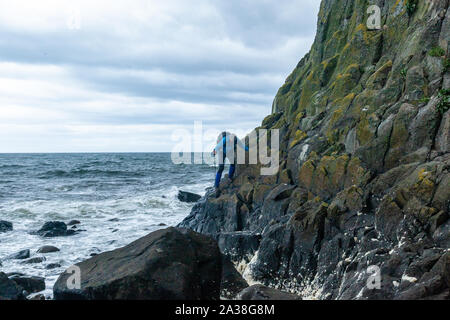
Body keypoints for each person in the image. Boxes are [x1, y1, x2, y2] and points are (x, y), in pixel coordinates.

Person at [211, 132, 248, 197]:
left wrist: (248, 149)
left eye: (233, 140)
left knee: (233, 163)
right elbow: (217, 147)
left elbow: (242, 146)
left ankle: (230, 177)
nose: (231, 141)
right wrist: (213, 153)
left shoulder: (236, 140)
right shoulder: (225, 140)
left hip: (229, 151)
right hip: (222, 152)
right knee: (221, 168)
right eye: (231, 140)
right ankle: (216, 185)